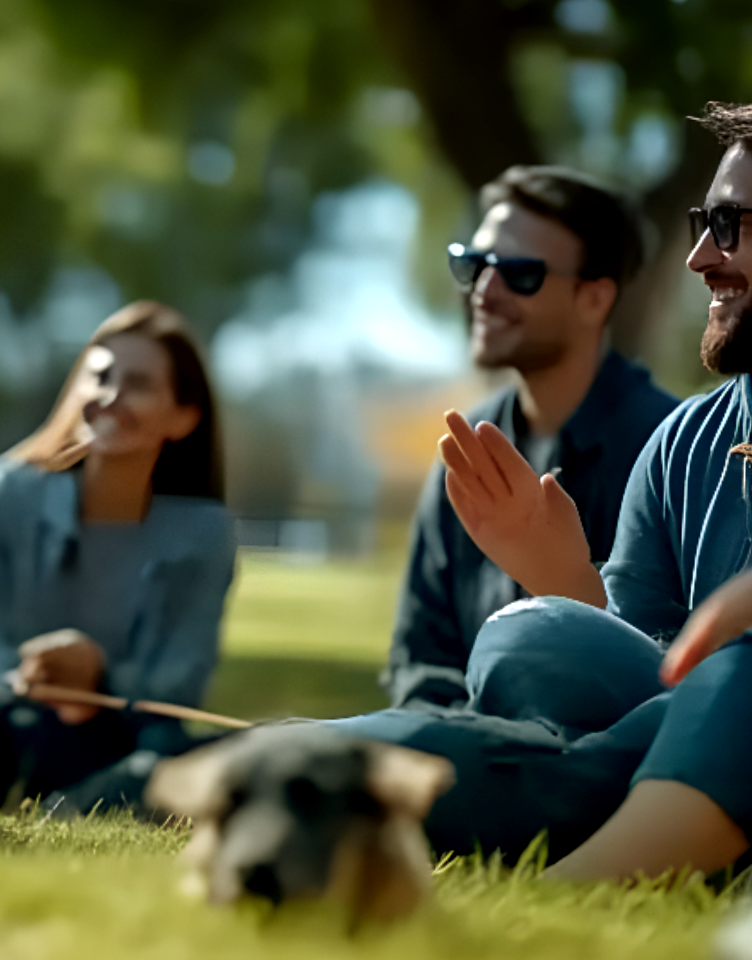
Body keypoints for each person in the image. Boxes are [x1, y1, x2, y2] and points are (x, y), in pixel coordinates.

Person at [305, 101, 752, 881]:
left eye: (731, 224)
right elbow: (636, 678)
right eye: (702, 223)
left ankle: (570, 874)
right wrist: (564, 582)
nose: (700, 260)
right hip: (662, 746)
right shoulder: (685, 443)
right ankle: (302, 769)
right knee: (529, 633)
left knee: (741, 674)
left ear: (595, 298)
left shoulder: (643, 421)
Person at [386, 166, 677, 710]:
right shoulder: (466, 448)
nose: (484, 291)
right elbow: (421, 661)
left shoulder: (670, 455)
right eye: (472, 264)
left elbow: (665, 679)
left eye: (519, 272)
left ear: (595, 299)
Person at [0, 301, 236, 815]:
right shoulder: (3, 494)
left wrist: (96, 677)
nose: (110, 397)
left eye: (140, 384)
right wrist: (42, 681)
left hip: (122, 737)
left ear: (184, 417)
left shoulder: (205, 533)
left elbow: (181, 682)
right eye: (99, 376)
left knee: (185, 752)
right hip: (5, 724)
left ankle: (88, 798)